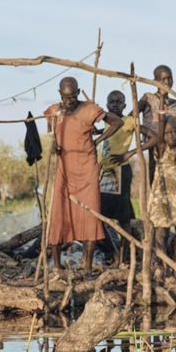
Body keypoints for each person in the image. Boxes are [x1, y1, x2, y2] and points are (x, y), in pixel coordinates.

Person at [45, 77, 124, 276]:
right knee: (58, 214)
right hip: (64, 169)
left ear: (78, 93)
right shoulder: (55, 111)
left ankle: (87, 268)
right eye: (64, 97)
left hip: (87, 170)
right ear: (59, 94)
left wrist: (99, 139)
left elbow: (117, 122)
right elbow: (51, 132)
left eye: (72, 97)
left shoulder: (89, 109)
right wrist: (53, 144)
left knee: (90, 217)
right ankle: (56, 266)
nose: (68, 101)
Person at [145, 119, 176, 264]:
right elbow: (160, 125)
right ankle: (164, 262)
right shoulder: (161, 148)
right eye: (166, 133)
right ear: (162, 135)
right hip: (162, 195)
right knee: (161, 230)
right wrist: (161, 100)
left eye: (173, 132)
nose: (171, 136)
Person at [97, 90, 135, 265]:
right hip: (106, 174)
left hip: (121, 173)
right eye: (111, 102)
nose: (114, 104)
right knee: (98, 215)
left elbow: (152, 136)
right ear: (107, 105)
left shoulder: (128, 121)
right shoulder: (108, 122)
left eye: (118, 102)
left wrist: (129, 154)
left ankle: (123, 254)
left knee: (123, 217)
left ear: (124, 105)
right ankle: (114, 251)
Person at [137, 64, 176, 180]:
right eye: (163, 79)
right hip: (153, 144)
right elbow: (132, 116)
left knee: (172, 179)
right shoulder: (148, 98)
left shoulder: (175, 103)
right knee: (155, 177)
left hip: (171, 145)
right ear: (155, 81)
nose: (167, 82)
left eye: (169, 78)